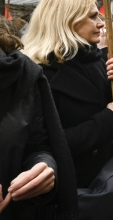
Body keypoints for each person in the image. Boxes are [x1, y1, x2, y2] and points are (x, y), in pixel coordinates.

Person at [21, 0, 113, 203]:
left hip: (108, 182)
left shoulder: (96, 59)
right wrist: (107, 120)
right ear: (66, 21)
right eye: (92, 16)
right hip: (70, 190)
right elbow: (44, 145)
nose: (101, 23)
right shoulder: (37, 73)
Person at [0, 17, 78, 220]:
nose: (101, 24)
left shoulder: (22, 74)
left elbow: (38, 146)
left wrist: (42, 170)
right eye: (91, 16)